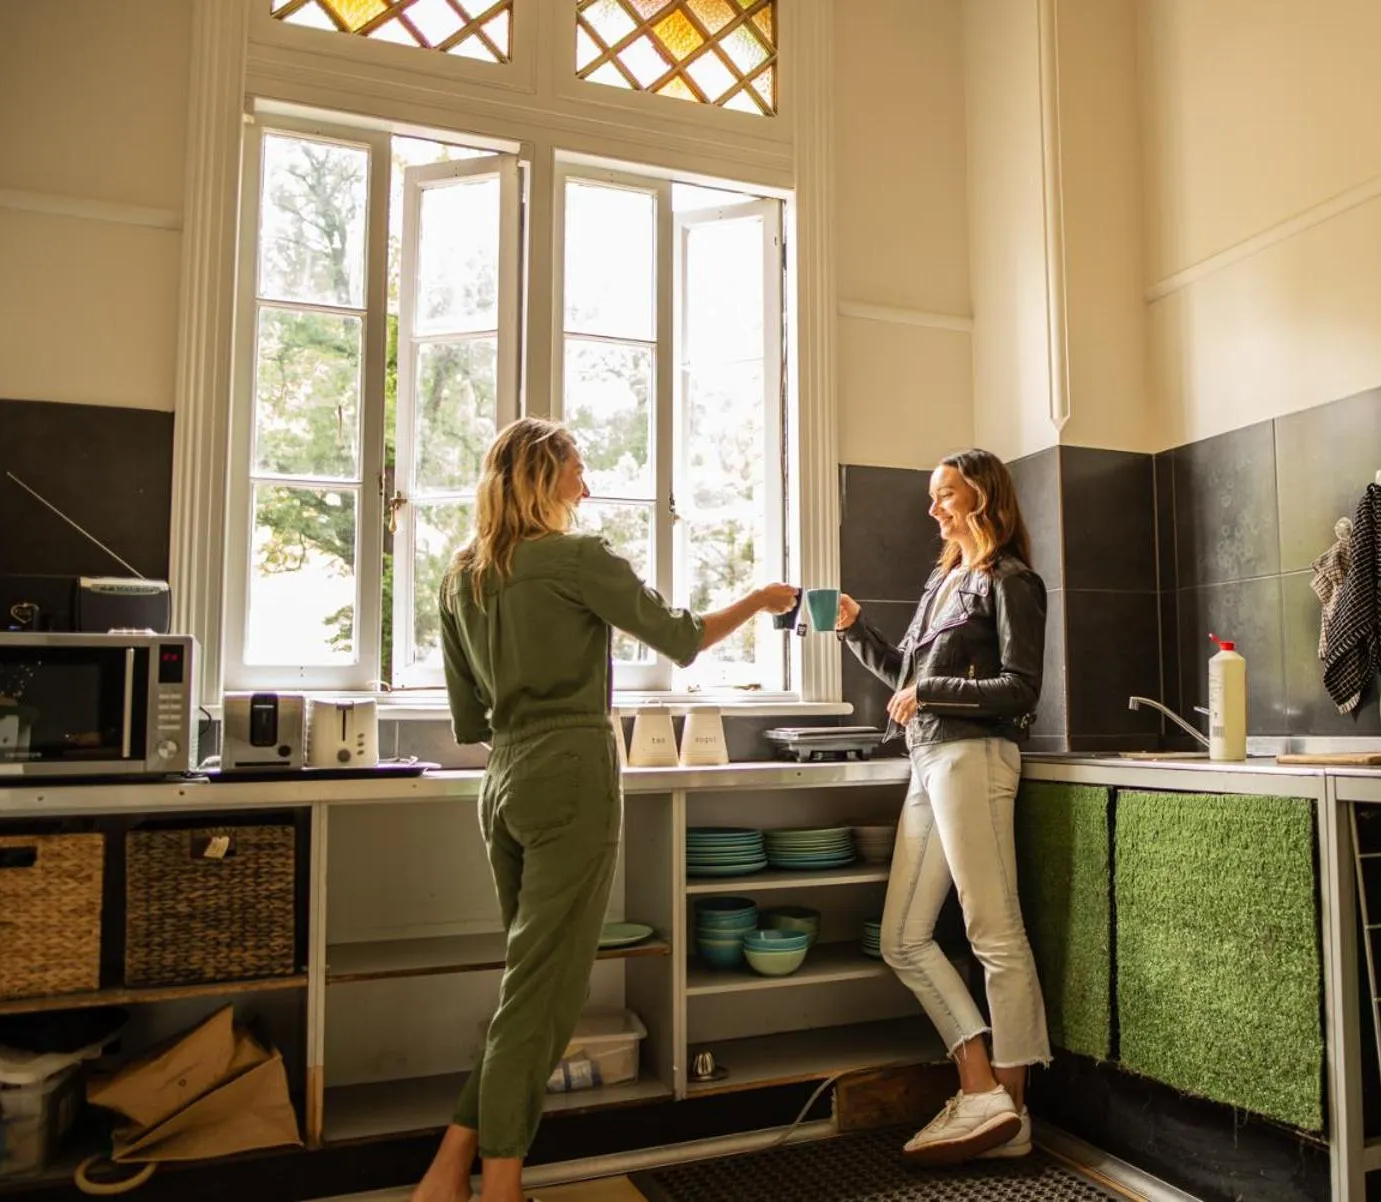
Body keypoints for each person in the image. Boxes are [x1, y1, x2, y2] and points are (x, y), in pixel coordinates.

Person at [413, 417, 798, 1202]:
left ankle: (448, 1171)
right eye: (576, 471)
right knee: (546, 993)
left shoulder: (461, 579)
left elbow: (467, 721)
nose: (585, 488)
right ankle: (502, 1185)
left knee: (531, 983)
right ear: (542, 476)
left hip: (504, 781)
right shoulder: (574, 558)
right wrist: (759, 599)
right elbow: (683, 639)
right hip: (571, 772)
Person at [835, 447, 1051, 1166]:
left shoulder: (1011, 581)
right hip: (927, 759)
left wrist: (930, 694)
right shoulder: (943, 582)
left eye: (947, 495)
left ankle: (1013, 1115)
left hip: (974, 758)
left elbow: (1020, 690)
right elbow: (906, 674)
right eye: (934, 497)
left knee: (994, 934)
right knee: (902, 937)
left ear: (983, 499)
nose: (934, 509)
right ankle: (979, 1087)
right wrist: (851, 626)